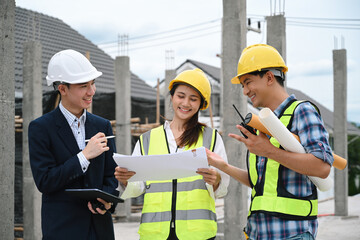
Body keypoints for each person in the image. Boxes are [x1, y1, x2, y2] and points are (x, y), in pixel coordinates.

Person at [206, 44, 334, 240]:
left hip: (292, 233)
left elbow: (322, 167)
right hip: (258, 232)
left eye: (248, 82)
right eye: (242, 85)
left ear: (269, 77)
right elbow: (261, 184)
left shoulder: (302, 112)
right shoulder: (264, 125)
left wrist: (268, 151)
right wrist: (223, 166)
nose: (245, 91)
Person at [115, 68, 230, 240]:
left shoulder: (211, 138)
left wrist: (216, 180)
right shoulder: (147, 139)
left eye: (193, 99)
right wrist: (125, 179)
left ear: (201, 104)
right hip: (155, 234)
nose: (185, 103)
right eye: (181, 96)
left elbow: (222, 188)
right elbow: (137, 187)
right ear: (172, 97)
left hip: (197, 234)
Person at [29, 49, 119, 240]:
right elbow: (45, 181)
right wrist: (84, 156)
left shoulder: (102, 125)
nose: (91, 91)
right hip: (62, 230)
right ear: (62, 89)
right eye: (83, 86)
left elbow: (112, 176)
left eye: (93, 84)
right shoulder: (41, 128)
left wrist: (107, 201)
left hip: (100, 230)